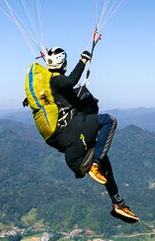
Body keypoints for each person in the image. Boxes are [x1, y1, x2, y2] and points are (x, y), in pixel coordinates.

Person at [39, 46, 139, 223]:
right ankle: (94, 164)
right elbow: (69, 81)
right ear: (62, 61)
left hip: (75, 133)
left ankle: (117, 202)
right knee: (110, 121)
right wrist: (83, 60)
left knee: (106, 164)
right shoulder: (56, 80)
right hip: (74, 129)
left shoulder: (51, 81)